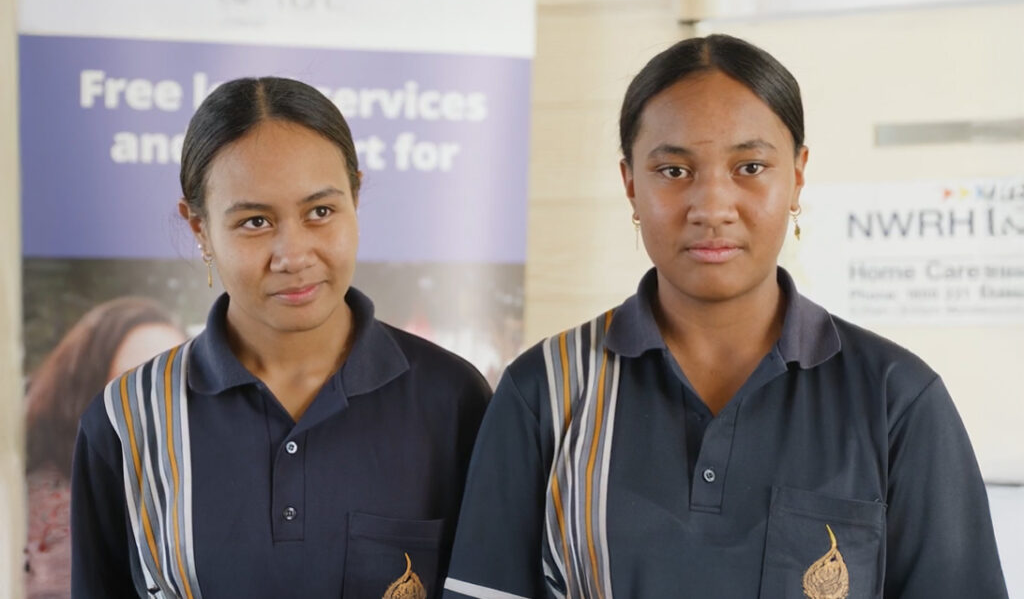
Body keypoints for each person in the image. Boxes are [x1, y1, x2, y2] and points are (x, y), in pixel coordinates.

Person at [442, 35, 1008, 598]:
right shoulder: (547, 391)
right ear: (630, 184)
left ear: (798, 176)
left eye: (751, 166)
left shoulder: (894, 398)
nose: (712, 207)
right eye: (673, 171)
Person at [71, 77, 492, 598]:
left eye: (320, 212)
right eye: (254, 221)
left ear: (355, 197)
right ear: (199, 228)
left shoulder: (452, 400)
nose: (293, 256)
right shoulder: (129, 419)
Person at [25, 297, 186, 599]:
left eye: (170, 381)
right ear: (84, 390)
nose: (154, 401)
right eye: (132, 383)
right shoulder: (51, 511)